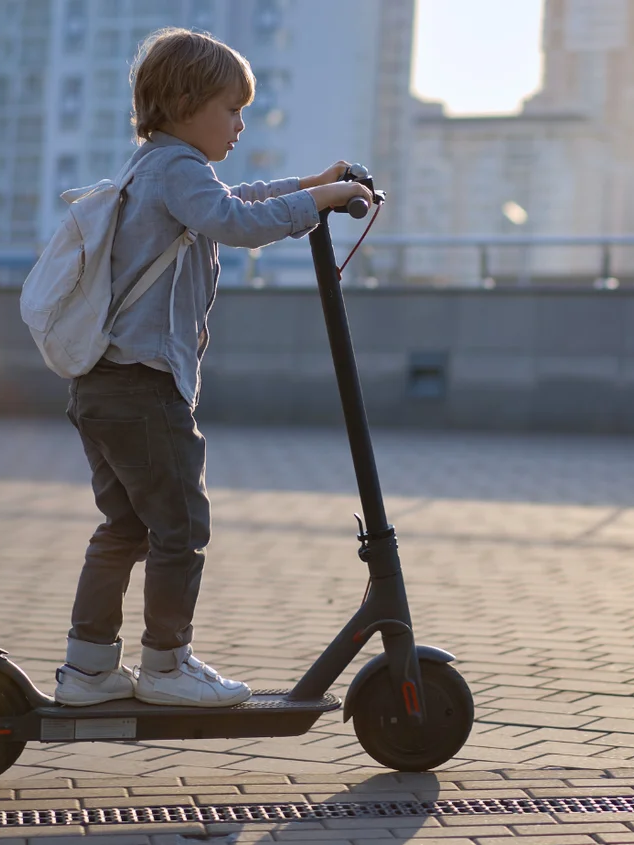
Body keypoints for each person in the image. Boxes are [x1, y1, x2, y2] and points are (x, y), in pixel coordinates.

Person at [54, 27, 374, 708]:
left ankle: (88, 669)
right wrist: (316, 203)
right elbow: (234, 219)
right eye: (231, 108)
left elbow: (234, 196)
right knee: (181, 527)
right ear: (184, 102)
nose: (239, 123)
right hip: (143, 389)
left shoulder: (156, 166)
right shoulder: (177, 171)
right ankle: (167, 665)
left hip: (102, 386)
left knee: (126, 527)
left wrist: (310, 183)